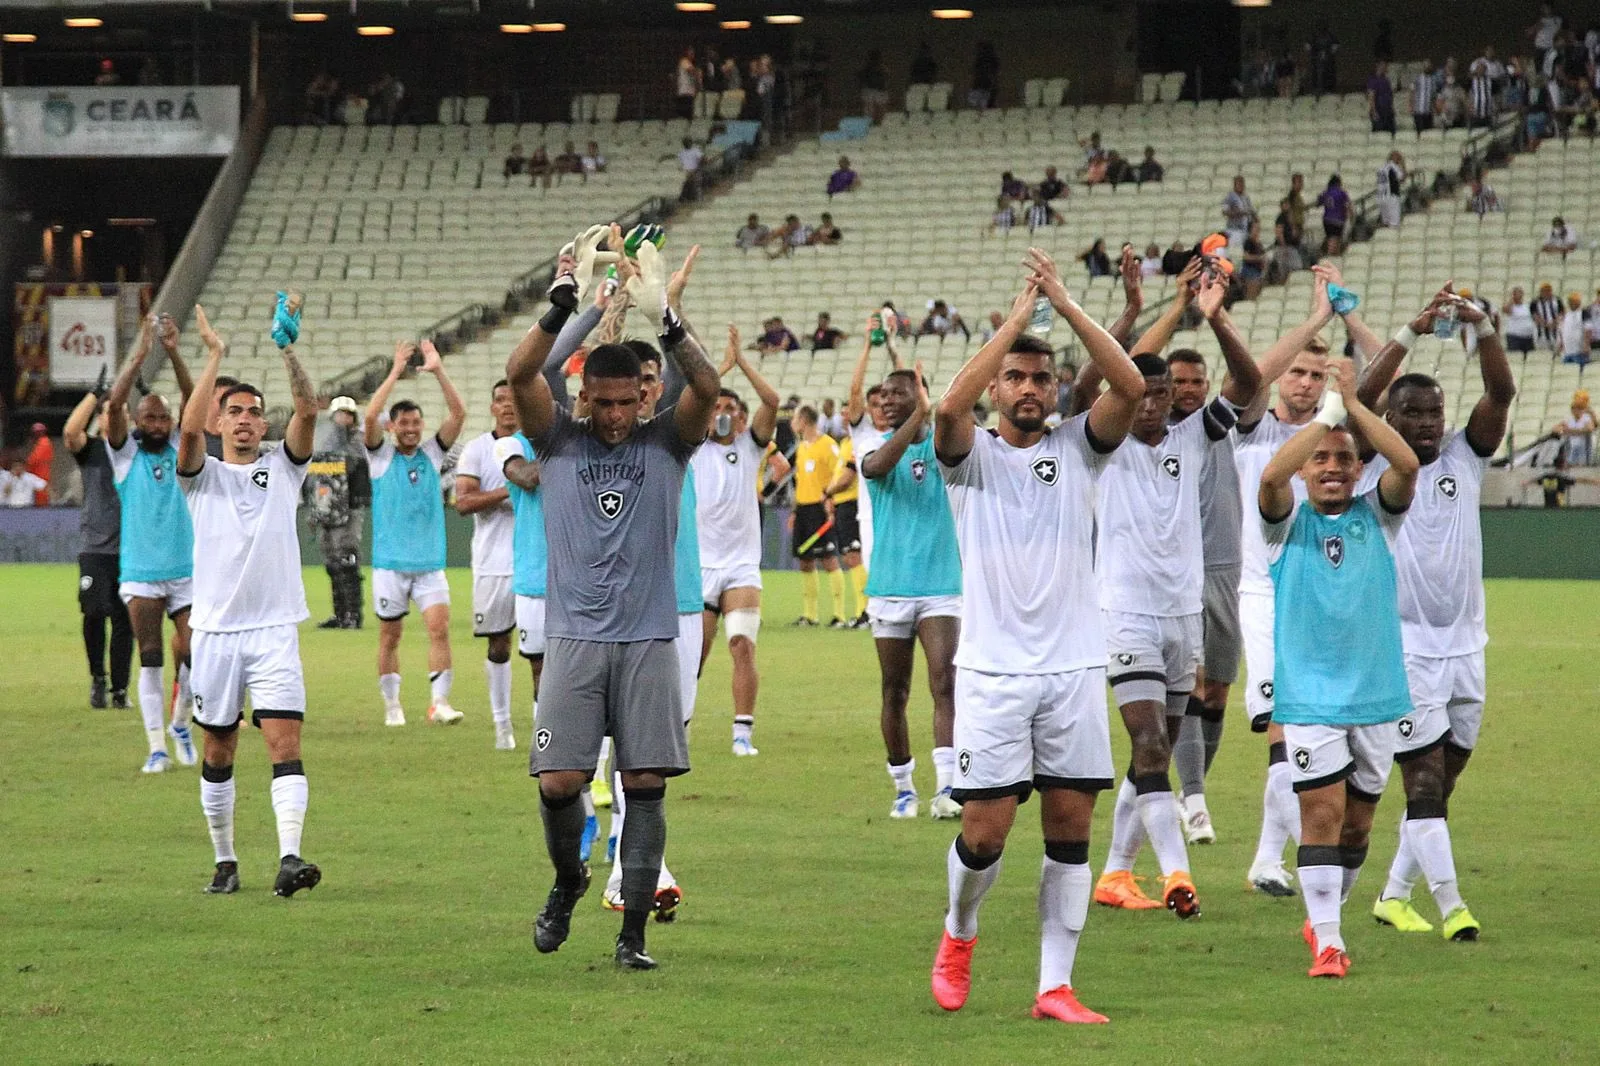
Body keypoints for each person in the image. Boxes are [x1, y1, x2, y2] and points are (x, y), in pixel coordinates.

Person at [928, 248, 1144, 1025]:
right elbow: (947, 413)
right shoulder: (971, 459)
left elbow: (1130, 387)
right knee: (985, 835)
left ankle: (1055, 986)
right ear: (996, 388)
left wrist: (1066, 303)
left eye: (1040, 379)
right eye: (1014, 378)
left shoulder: (1078, 449)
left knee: (1069, 829)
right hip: (991, 672)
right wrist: (1019, 320)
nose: (1028, 389)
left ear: (1055, 391)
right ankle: (959, 932)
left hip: (1073, 673)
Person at [504, 227, 718, 971]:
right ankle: (567, 880)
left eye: (628, 401)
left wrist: (668, 319)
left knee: (646, 782)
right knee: (560, 780)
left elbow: (711, 390)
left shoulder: (668, 442)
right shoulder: (559, 439)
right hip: (573, 639)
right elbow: (518, 371)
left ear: (646, 394)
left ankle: (633, 937)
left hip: (650, 639)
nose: (617, 415)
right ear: (582, 394)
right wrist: (566, 304)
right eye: (603, 401)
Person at [1083, 270, 1260, 912]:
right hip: (1125, 615)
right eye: (1142, 392)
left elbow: (1247, 383)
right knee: (1151, 745)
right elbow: (1091, 381)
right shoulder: (1098, 445)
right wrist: (1147, 311)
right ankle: (1177, 875)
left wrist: (1211, 316)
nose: (1152, 403)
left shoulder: (1194, 435)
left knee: (1150, 756)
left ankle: (1113, 875)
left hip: (1182, 617)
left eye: (1161, 394)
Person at [1353, 292, 1512, 944]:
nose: (1424, 422)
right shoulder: (1375, 467)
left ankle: (1394, 896)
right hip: (1405, 651)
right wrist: (1409, 331)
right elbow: (1358, 401)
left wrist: (1481, 327)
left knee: (1440, 786)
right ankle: (1454, 911)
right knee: (1421, 783)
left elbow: (1500, 393)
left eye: (1432, 412)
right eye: (1410, 412)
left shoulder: (1464, 454)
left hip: (1468, 648)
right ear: (1390, 417)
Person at [1260, 356, 1420, 979]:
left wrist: (1353, 406)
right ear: (1306, 469)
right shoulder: (1283, 526)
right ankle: (1328, 941)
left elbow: (1406, 464)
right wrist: (1329, 413)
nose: (1330, 467)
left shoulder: (1378, 518)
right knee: (1320, 815)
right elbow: (1271, 474)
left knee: (1357, 827)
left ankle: (1325, 914)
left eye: (1342, 459)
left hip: (1377, 696)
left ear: (1358, 470)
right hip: (1310, 698)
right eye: (1320, 459)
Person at [176, 303, 322, 899]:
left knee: (285, 743)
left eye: (254, 413)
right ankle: (225, 860)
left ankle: (289, 858)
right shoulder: (201, 475)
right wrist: (214, 355)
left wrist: (288, 350)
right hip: (214, 633)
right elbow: (186, 431)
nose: (244, 420)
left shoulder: (283, 473)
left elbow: (308, 409)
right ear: (219, 424)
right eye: (234, 411)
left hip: (274, 631)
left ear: (264, 426)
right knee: (219, 746)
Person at [858, 364, 962, 820]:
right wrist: (916, 416)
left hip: (940, 586)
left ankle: (948, 786)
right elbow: (877, 468)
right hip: (890, 588)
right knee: (894, 690)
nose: (886, 400)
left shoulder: (946, 450)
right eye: (882, 395)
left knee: (945, 684)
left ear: (917, 395)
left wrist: (928, 416)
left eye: (897, 394)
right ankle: (903, 786)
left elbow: (958, 429)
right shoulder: (875, 447)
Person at [105, 314, 198, 774]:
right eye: (151, 416)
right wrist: (140, 354)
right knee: (152, 657)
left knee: (195, 650)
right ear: (138, 422)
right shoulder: (125, 458)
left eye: (164, 416)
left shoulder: (182, 448)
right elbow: (113, 406)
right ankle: (156, 746)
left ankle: (181, 722)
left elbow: (193, 398)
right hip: (141, 572)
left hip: (186, 570)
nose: (159, 422)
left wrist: (175, 351)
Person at [363, 339, 467, 727]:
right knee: (390, 638)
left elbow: (459, 412)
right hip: (390, 564)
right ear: (394, 427)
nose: (410, 428)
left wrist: (438, 369)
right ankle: (392, 705)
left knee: (439, 629)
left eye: (415, 422)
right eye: (403, 423)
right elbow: (370, 417)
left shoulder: (432, 454)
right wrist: (394, 371)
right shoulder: (379, 456)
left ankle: (439, 703)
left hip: (429, 564)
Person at [696, 326, 781, 758]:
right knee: (694, 655)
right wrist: (717, 371)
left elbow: (773, 402)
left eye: (730, 408)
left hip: (741, 566)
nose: (722, 413)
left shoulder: (750, 447)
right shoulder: (691, 446)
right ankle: (679, 723)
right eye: (716, 407)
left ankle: (742, 732)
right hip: (698, 565)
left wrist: (742, 364)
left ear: (741, 418)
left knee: (742, 645)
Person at [454, 379, 522, 750]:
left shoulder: (537, 444)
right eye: (500, 400)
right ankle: (502, 725)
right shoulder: (478, 449)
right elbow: (462, 502)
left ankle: (546, 728)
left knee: (542, 652)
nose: (508, 406)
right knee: (499, 646)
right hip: (492, 564)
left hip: (535, 563)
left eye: (513, 399)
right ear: (492, 407)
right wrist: (510, 489)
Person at [64, 384, 132, 709]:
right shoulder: (91, 449)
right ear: (102, 418)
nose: (117, 416)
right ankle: (98, 679)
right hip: (95, 549)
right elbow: (70, 431)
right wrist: (94, 394)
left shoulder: (138, 450)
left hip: (132, 550)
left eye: (123, 410)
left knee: (125, 621)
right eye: (111, 411)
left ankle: (120, 689)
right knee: (93, 612)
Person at [304, 395, 369, 629]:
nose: (343, 418)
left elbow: (356, 468)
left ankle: (353, 614)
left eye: (347, 414)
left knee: (346, 556)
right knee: (331, 560)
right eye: (340, 414)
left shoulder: (357, 442)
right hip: (326, 508)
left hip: (349, 508)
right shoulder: (324, 443)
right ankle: (340, 613)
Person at [790, 405, 846, 627]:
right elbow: (801, 481)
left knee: (829, 559)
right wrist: (795, 510)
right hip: (803, 509)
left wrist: (831, 503)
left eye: (795, 418)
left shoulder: (829, 445)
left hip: (820, 508)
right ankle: (810, 615)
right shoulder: (802, 447)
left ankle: (839, 615)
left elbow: (838, 475)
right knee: (805, 561)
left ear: (803, 420)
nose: (792, 423)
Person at [1526, 452, 1598, 506]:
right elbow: (1581, 480)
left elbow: (1535, 480)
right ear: (1563, 465)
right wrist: (1594, 482)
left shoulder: (1546, 476)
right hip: (1559, 507)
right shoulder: (1562, 478)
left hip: (1547, 507)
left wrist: (1526, 482)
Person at [1554, 391, 1597, 465]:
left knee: (1582, 467)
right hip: (1571, 447)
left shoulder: (1586, 418)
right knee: (1570, 465)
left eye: (1580, 409)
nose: (1577, 411)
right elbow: (1555, 428)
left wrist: (1570, 431)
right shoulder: (1568, 419)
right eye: (1575, 409)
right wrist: (1562, 430)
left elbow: (1590, 429)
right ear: (1572, 410)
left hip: (1584, 448)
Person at [1314, 175, 1350, 256]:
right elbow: (1347, 205)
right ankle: (1331, 255)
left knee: (1331, 238)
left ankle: (1331, 254)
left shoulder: (1326, 192)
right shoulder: (1342, 193)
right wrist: (1349, 216)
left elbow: (1318, 204)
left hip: (1327, 219)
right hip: (1338, 219)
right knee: (1336, 239)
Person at [1501, 287, 1537, 353]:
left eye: (1520, 293)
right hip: (1514, 337)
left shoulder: (1527, 306)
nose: (1518, 295)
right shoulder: (1511, 307)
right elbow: (1505, 310)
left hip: (1528, 337)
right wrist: (1512, 299)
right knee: (1515, 356)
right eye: (1516, 293)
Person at [1376, 151, 1406, 229]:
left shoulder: (1381, 168)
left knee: (1385, 223)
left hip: (1381, 197)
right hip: (1391, 197)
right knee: (1394, 224)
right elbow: (1402, 178)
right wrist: (1403, 165)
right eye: (1399, 158)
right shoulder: (1393, 167)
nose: (1399, 160)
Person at [25, 421, 52, 505]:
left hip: (41, 473)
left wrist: (26, 464)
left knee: (41, 497)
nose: (36, 434)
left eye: (37, 432)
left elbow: (34, 459)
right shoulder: (38, 442)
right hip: (36, 473)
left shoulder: (44, 442)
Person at [1367, 60, 1397, 135]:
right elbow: (1371, 96)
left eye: (1386, 66)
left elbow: (1390, 95)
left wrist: (1392, 108)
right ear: (1378, 66)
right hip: (1378, 111)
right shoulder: (1372, 79)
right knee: (1379, 133)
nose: (1386, 68)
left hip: (1388, 111)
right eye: (1383, 66)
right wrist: (1374, 111)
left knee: (1391, 132)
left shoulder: (1386, 80)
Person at [1222, 175, 1256, 242]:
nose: (1241, 185)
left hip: (1246, 229)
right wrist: (1239, 212)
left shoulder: (1246, 197)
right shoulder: (1230, 197)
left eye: (1242, 183)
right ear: (1234, 185)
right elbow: (1225, 212)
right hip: (1234, 230)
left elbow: (1250, 210)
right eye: (1239, 183)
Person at [1560, 291, 1589, 365]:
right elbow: (1562, 331)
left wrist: (1586, 345)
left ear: (1579, 302)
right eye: (1570, 302)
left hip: (1580, 351)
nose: (1572, 303)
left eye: (1574, 301)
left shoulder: (1584, 313)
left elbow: (1588, 330)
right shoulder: (1566, 315)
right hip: (1567, 351)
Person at [1532, 282, 1563, 349]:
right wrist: (1545, 324)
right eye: (1544, 291)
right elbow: (1534, 315)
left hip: (1555, 330)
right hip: (1541, 332)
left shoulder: (1557, 300)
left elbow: (1561, 313)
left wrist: (1554, 322)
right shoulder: (1535, 302)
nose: (1546, 293)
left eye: (1548, 291)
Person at [1411, 60, 1437, 135]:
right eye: (1426, 66)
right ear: (1423, 67)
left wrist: (1434, 108)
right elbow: (1412, 92)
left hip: (1429, 112)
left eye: (1429, 66)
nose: (1427, 68)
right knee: (1419, 132)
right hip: (1419, 110)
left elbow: (1433, 96)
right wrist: (1412, 106)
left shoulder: (1432, 80)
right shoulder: (1417, 78)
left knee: (1428, 133)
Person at [675, 47, 700, 120]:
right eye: (690, 53)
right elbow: (691, 71)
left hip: (690, 92)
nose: (692, 55)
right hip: (684, 92)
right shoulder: (684, 61)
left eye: (693, 53)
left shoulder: (690, 63)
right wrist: (698, 74)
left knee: (690, 115)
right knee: (685, 115)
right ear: (686, 53)